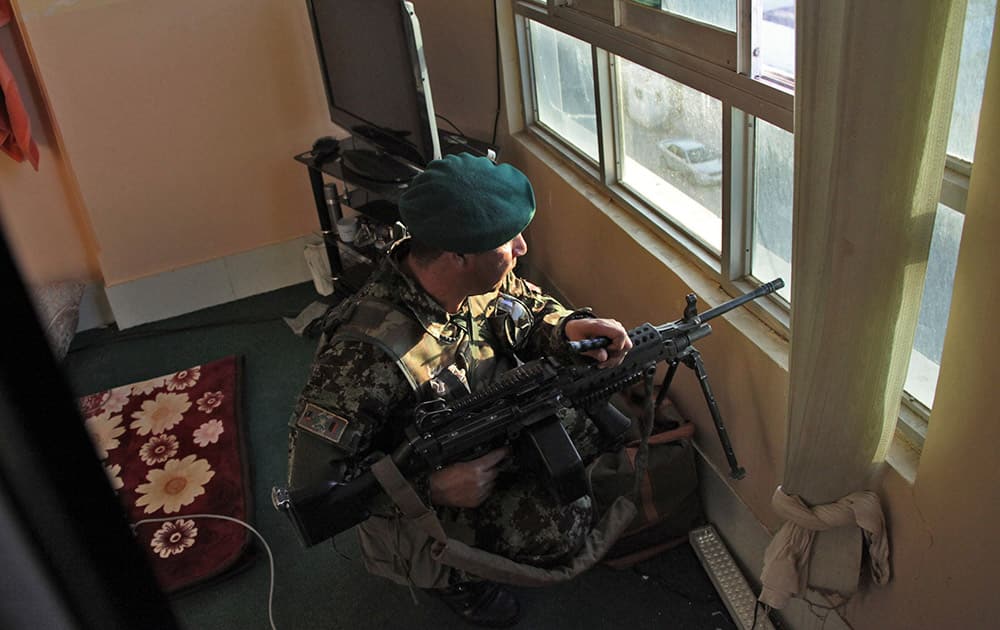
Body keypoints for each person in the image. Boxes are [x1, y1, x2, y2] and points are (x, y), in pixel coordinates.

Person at [286, 153, 633, 627]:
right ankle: (457, 580)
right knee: (559, 531)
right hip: (427, 486)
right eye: (509, 241)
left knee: (584, 435)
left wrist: (568, 327)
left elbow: (522, 305)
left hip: (480, 422)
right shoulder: (364, 356)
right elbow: (313, 491)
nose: (523, 248)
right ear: (459, 256)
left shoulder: (470, 273)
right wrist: (430, 489)